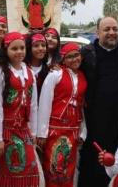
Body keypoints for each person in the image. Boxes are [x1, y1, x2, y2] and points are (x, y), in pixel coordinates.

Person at [78, 17, 118, 187]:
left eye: (115, 29)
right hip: (92, 115)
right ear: (97, 32)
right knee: (91, 160)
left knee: (116, 158)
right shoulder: (86, 52)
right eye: (107, 29)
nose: (111, 33)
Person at [0, 32, 42, 186]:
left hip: (24, 130)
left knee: (30, 169)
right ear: (6, 50)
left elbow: (33, 105)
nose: (19, 52)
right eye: (14, 49)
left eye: (22, 48)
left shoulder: (29, 72)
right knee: (8, 171)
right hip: (6, 131)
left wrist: (34, 132)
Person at [37, 42, 87, 187]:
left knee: (68, 169)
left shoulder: (83, 76)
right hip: (55, 129)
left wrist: (83, 131)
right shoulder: (55, 74)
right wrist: (42, 132)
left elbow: (81, 105)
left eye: (76, 55)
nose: (74, 59)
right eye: (69, 57)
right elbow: (45, 102)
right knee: (53, 167)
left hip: (73, 129)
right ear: (63, 60)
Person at [24, 33, 49, 98]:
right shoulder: (22, 68)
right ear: (29, 48)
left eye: (43, 45)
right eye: (36, 46)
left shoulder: (48, 71)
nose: (41, 48)